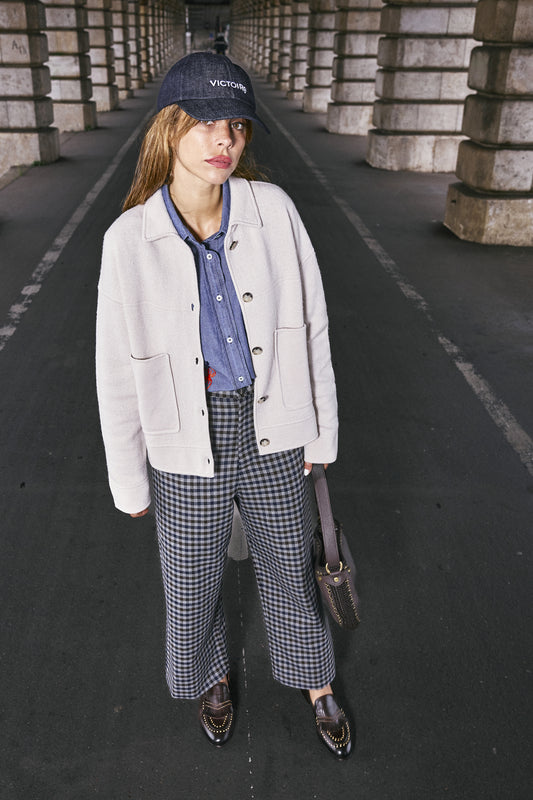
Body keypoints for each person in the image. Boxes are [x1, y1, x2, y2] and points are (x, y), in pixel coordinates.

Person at [95, 51, 352, 759]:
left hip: (271, 421)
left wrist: (320, 433)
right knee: (192, 581)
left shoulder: (274, 210)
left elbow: (313, 322)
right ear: (168, 129)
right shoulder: (128, 241)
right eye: (205, 123)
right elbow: (115, 371)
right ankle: (212, 677)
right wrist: (128, 479)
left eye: (236, 125)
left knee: (288, 565)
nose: (224, 141)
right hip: (186, 434)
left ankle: (317, 683)